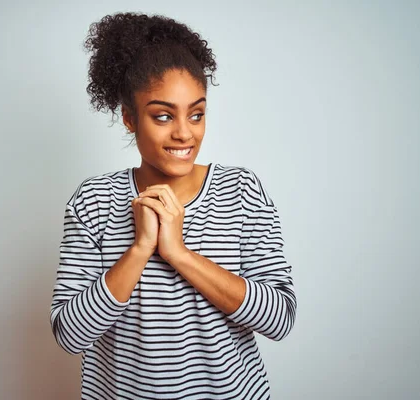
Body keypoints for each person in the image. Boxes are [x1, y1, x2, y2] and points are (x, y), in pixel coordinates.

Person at [50, 12, 297, 400]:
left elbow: (280, 318)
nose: (185, 133)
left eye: (196, 114)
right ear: (130, 118)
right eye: (163, 116)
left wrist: (178, 253)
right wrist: (139, 249)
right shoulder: (94, 201)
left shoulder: (241, 191)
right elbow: (69, 334)